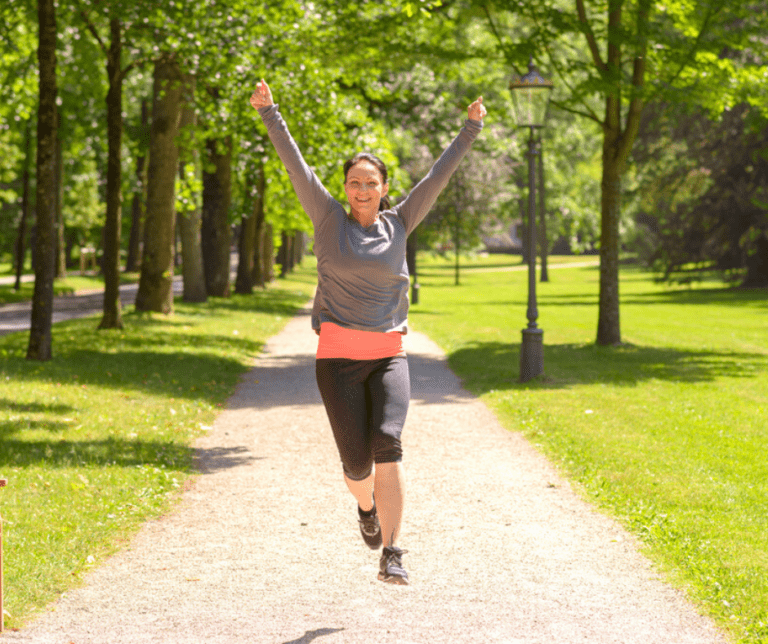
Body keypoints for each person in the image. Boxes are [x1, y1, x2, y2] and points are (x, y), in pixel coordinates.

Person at [250, 79, 486, 585]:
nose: (362, 190)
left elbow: (438, 177)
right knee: (357, 468)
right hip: (336, 361)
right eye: (354, 182)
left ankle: (394, 552)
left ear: (384, 187)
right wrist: (271, 114)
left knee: (387, 443)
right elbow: (296, 167)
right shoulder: (327, 217)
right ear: (345, 188)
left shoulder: (401, 222)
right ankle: (366, 512)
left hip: (388, 356)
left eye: (370, 182)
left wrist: (470, 129)